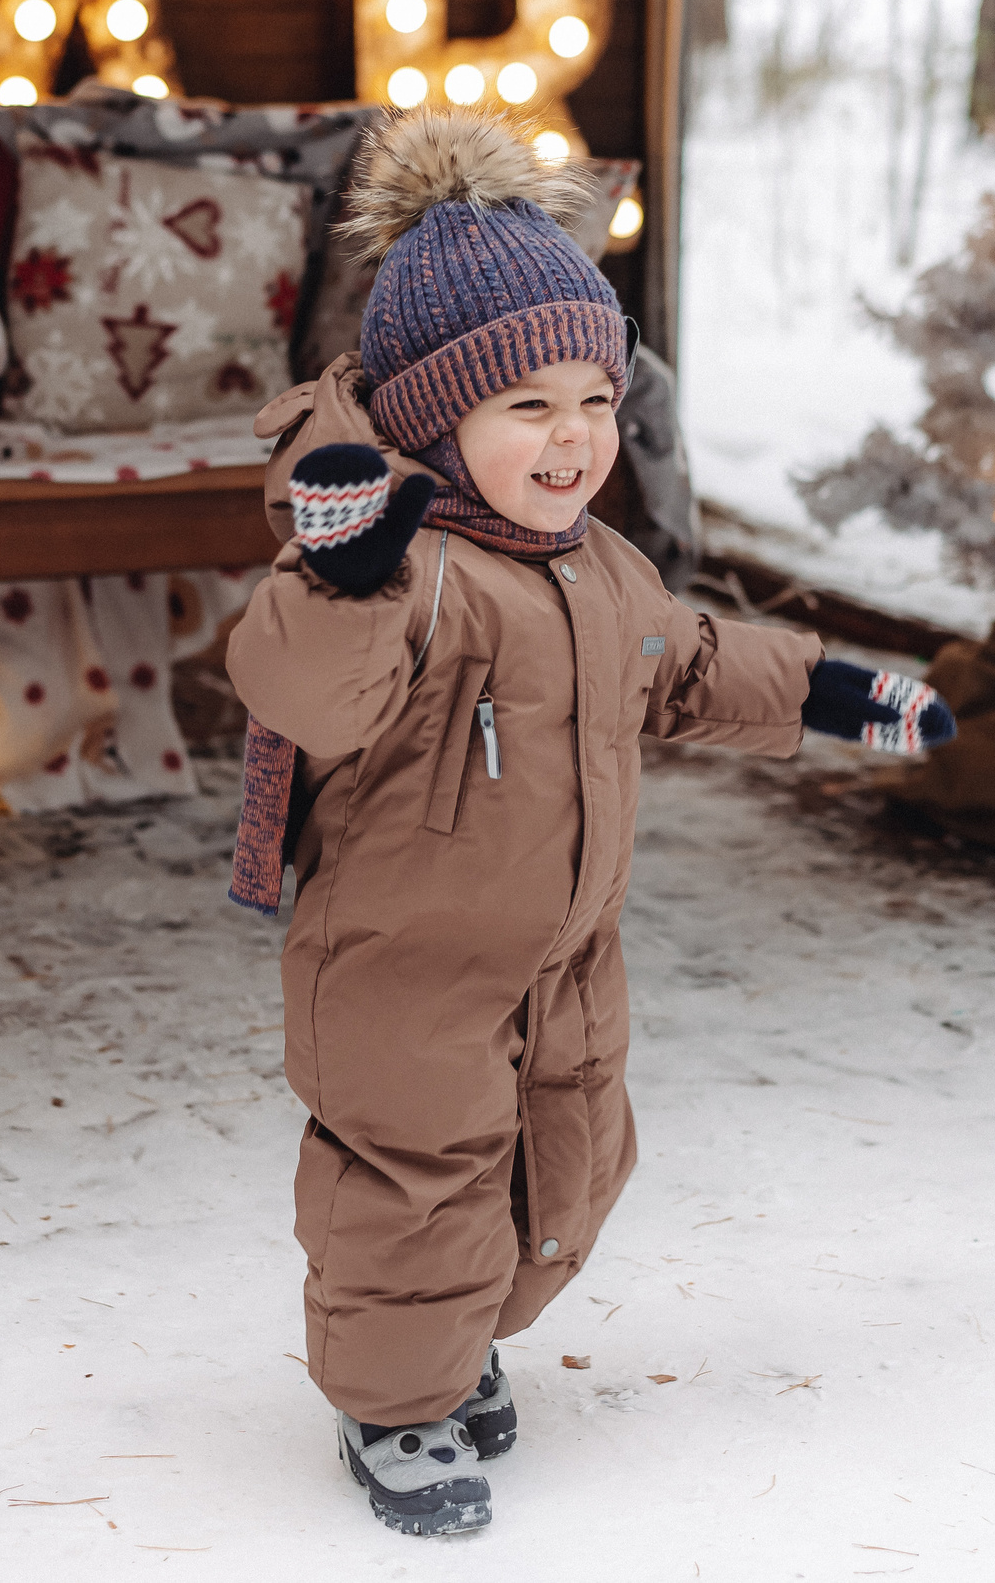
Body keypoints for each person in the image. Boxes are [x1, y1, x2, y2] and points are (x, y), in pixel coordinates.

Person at [225, 108, 954, 1537]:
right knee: (420, 1183)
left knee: (574, 1162)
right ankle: (395, 1404)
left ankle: (453, 1343)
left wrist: (835, 692)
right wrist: (350, 573)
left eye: (593, 402)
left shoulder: (601, 570)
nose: (571, 438)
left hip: (563, 959)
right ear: (439, 423)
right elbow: (303, 685)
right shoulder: (410, 578)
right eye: (526, 408)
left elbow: (687, 664)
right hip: (400, 966)